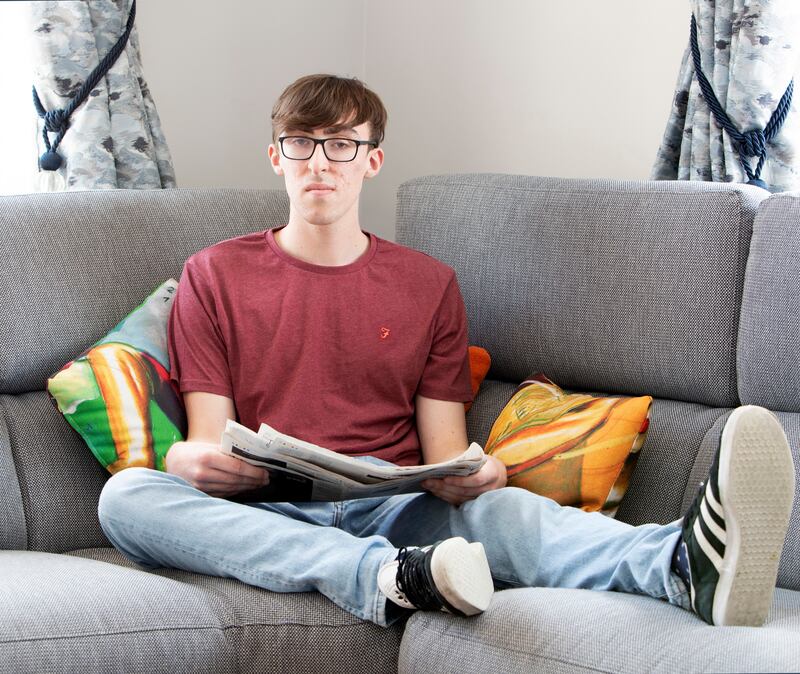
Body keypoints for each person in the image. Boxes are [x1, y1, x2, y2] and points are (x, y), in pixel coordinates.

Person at [98, 74, 795, 628]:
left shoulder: (428, 285)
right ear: (275, 156)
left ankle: (677, 563)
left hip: (396, 503)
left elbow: (446, 448)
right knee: (128, 497)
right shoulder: (213, 274)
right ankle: (383, 576)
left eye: (341, 144)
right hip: (265, 512)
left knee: (504, 511)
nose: (320, 162)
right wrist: (192, 462)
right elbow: (207, 440)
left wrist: (476, 473)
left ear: (371, 161)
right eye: (302, 143)